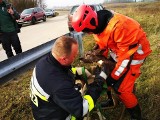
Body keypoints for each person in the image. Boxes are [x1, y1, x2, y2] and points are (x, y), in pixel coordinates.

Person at [71, 4, 152, 120]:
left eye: (86, 30)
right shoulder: (98, 24)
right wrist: (97, 55)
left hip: (135, 55)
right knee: (103, 73)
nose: (88, 33)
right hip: (120, 52)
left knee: (121, 89)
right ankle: (111, 101)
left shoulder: (120, 27)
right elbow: (103, 43)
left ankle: (136, 116)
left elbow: (125, 60)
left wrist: (113, 78)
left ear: (91, 23)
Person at [30, 36, 108, 120]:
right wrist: (98, 82)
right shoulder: (59, 85)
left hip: (45, 110)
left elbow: (62, 72)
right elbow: (81, 109)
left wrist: (79, 71)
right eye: (74, 56)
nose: (75, 58)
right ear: (63, 59)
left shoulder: (45, 61)